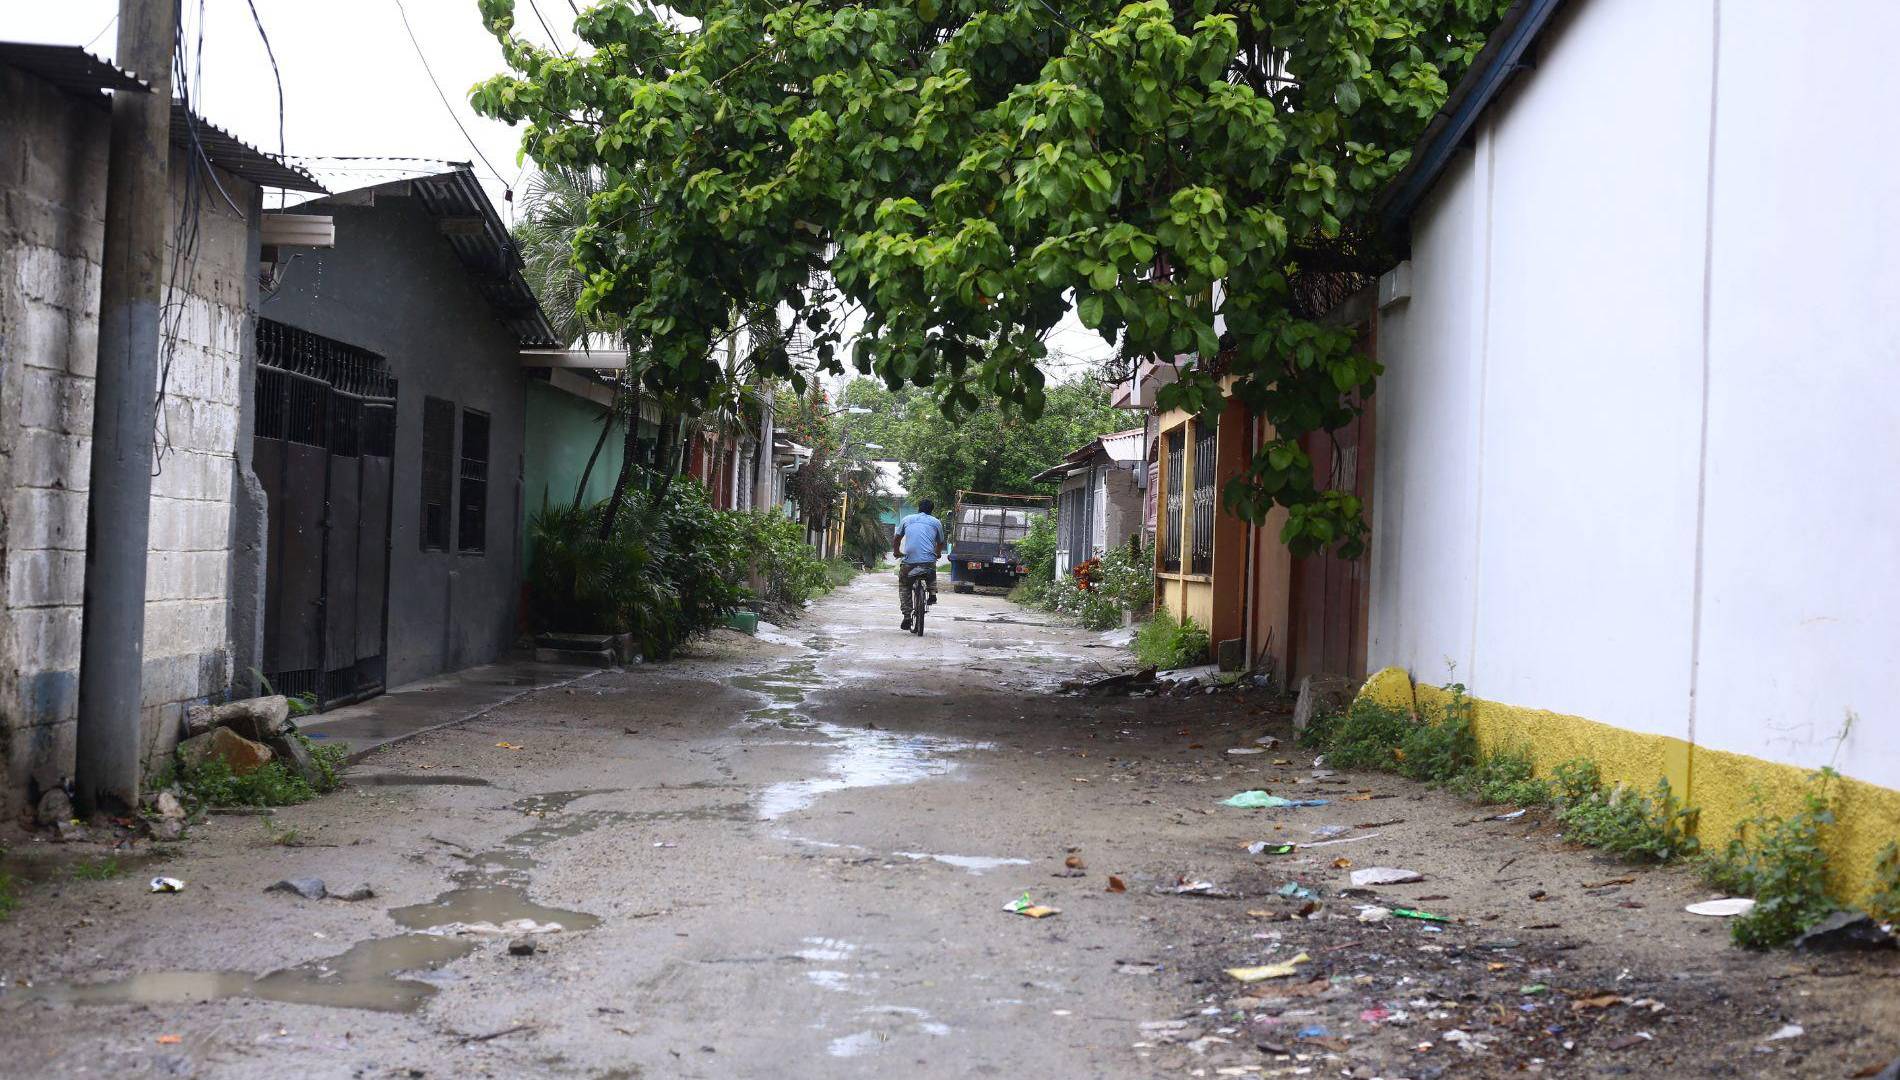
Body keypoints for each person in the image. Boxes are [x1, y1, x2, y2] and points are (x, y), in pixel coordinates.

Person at [891, 498, 944, 630]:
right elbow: (940, 542)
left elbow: (897, 538)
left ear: (918, 508)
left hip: (909, 562)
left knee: (904, 585)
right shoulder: (936, 522)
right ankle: (932, 593)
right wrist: (937, 554)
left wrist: (897, 552)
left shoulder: (907, 519)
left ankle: (907, 616)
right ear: (932, 510)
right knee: (931, 569)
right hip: (928, 562)